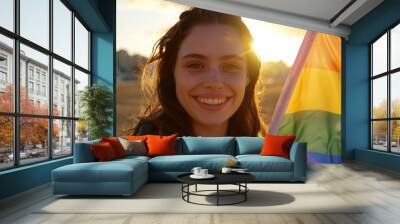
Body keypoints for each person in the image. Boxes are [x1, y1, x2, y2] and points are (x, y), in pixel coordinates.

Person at [132, 7, 265, 137]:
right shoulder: (141, 153)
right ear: (172, 73)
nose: (214, 83)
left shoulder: (263, 151)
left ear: (248, 76)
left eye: (230, 66)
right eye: (195, 65)